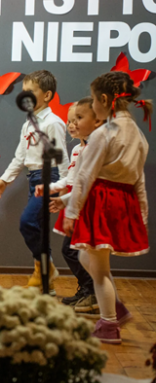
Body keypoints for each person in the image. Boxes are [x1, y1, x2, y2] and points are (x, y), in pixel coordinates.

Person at [64, 71, 150, 344]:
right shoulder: (137, 133)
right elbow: (139, 177)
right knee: (86, 258)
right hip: (123, 201)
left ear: (103, 99)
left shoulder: (105, 132)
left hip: (101, 200)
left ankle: (109, 324)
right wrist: (142, 211)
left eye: (92, 99)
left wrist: (71, 211)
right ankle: (114, 307)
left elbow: (85, 175)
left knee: (98, 268)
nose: (91, 104)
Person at [0, 70, 68, 295]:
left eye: (32, 92)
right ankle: (46, 284)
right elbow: (20, 157)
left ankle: (47, 269)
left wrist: (63, 186)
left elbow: (61, 156)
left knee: (27, 222)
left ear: (47, 95)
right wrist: (5, 180)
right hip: (34, 178)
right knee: (40, 230)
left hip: (49, 177)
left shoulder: (53, 123)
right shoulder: (28, 124)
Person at [35, 99, 99, 312]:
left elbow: (85, 183)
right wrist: (51, 187)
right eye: (70, 120)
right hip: (73, 203)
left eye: (78, 119)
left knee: (75, 251)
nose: (71, 124)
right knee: (72, 251)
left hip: (84, 206)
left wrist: (66, 199)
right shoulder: (76, 150)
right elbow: (70, 180)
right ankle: (87, 290)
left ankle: (92, 292)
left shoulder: (93, 150)